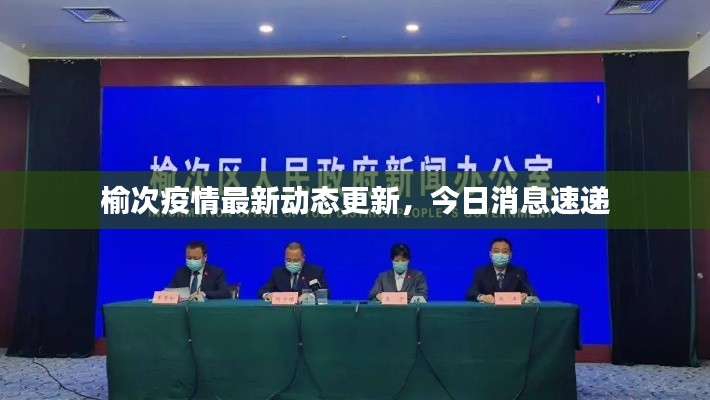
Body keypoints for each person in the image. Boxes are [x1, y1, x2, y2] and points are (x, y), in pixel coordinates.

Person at [465, 237, 536, 303]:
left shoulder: (519, 272)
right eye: (496, 251)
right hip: (488, 311)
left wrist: (526, 296)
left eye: (504, 251)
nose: (500, 255)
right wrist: (482, 297)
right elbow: (470, 293)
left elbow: (532, 294)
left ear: (510, 255)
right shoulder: (481, 272)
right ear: (490, 254)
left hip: (512, 311)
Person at [258, 242, 328, 301]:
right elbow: (262, 291)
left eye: (296, 260)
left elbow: (326, 294)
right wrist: (267, 295)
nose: (292, 263)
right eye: (288, 260)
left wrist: (311, 296)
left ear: (303, 258)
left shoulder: (315, 272)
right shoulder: (277, 272)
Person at [166, 240, 232, 299]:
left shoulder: (216, 272)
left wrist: (204, 294)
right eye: (189, 258)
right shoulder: (180, 272)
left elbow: (226, 293)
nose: (192, 261)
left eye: (196, 258)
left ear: (205, 257)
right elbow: (169, 291)